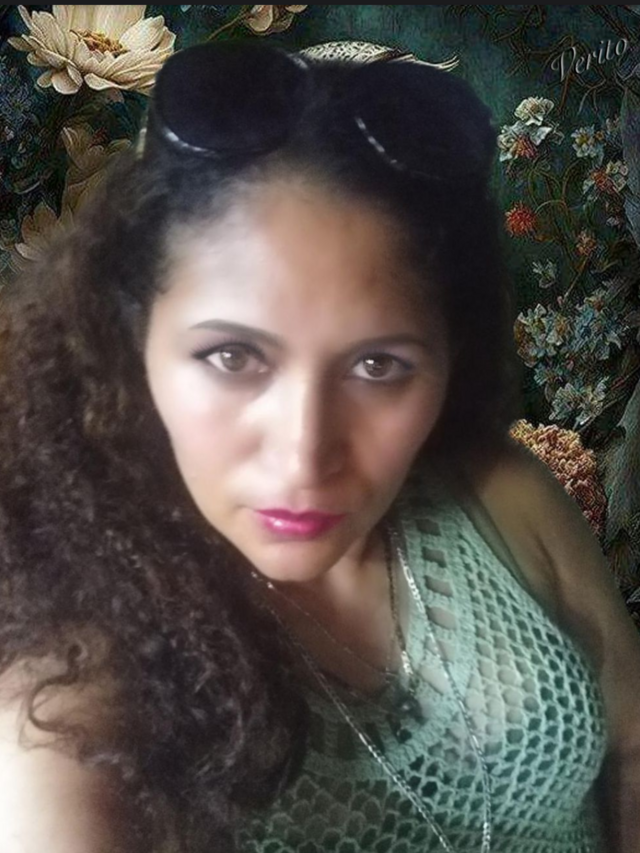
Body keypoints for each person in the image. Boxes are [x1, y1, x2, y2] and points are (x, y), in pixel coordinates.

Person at [0, 39, 639, 853]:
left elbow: (631, 745)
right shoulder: (69, 679)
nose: (304, 455)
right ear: (131, 340)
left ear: (450, 357)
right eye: (232, 357)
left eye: (379, 366)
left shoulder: (500, 494)